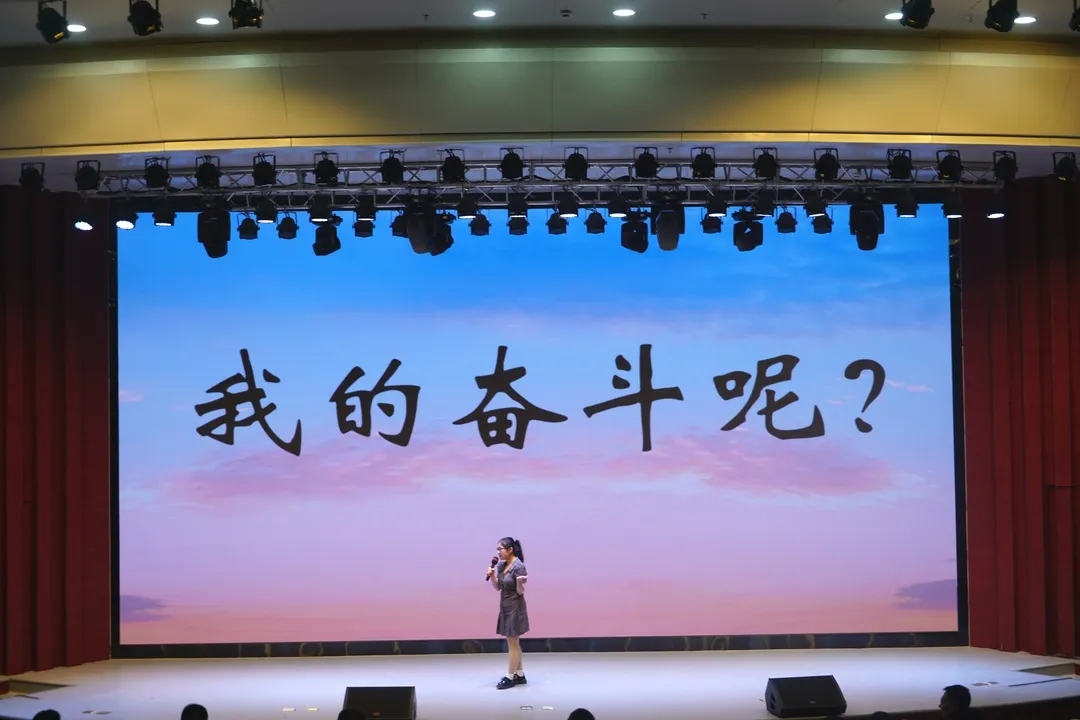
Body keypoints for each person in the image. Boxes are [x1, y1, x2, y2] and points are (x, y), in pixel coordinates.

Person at [486, 536, 529, 689]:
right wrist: (492, 577)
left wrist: (520, 582)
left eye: (500, 549)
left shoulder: (518, 566)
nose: (498, 552)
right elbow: (498, 587)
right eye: (497, 549)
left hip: (515, 607)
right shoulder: (501, 565)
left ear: (510, 550)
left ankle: (510, 677)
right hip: (504, 605)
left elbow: (520, 591)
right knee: (514, 642)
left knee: (513, 643)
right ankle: (520, 674)